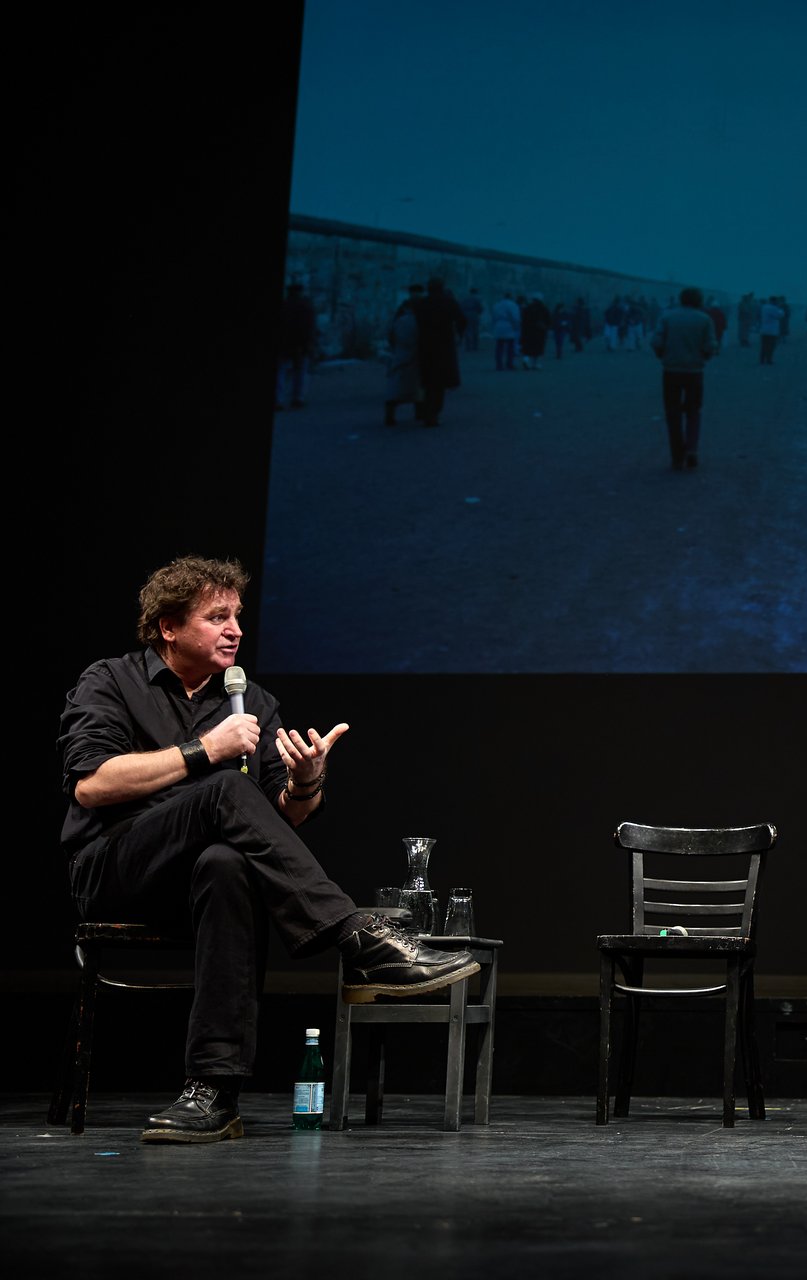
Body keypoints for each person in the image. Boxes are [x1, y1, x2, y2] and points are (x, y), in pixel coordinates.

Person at [59, 556, 479, 1144]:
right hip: (115, 867)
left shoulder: (250, 699)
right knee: (225, 787)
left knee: (228, 863)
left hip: (199, 886)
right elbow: (92, 784)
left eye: (238, 616)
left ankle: (213, 1092)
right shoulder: (111, 680)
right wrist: (204, 749)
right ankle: (354, 936)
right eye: (216, 616)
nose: (234, 629)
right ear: (168, 628)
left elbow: (276, 820)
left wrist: (307, 781)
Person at [651, 285, 719, 470]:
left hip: (671, 371)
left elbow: (656, 341)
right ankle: (692, 450)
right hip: (694, 372)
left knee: (672, 413)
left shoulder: (667, 317)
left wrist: (663, 356)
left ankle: (677, 456)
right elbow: (710, 345)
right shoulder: (704, 319)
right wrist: (703, 357)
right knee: (693, 412)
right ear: (698, 300)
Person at [413, 277, 466, 426]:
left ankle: (426, 411)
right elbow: (462, 319)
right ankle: (434, 412)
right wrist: (459, 334)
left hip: (425, 344)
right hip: (444, 344)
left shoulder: (422, 303)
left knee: (428, 380)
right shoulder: (448, 302)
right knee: (440, 382)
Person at [277, 281, 317, 410]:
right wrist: (309, 344)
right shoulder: (306, 306)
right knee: (300, 372)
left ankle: (279, 400)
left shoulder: (284, 305)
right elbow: (310, 327)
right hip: (301, 343)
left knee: (281, 372)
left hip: (284, 342)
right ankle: (298, 398)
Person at [382, 294, 419, 426]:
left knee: (395, 387)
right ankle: (419, 412)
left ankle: (390, 415)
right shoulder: (419, 320)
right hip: (415, 356)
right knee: (417, 386)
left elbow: (391, 336)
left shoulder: (398, 321)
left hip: (400, 355)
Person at [491, 292, 522, 371]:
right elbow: (516, 317)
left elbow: (493, 317)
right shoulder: (513, 305)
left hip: (499, 325)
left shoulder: (497, 305)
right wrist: (517, 326)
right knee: (510, 346)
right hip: (509, 325)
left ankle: (499, 364)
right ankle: (509, 363)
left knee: (499, 346)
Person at [757, 296, 785, 365]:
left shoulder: (764, 307)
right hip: (772, 331)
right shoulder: (774, 308)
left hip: (764, 330)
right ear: (774, 301)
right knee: (771, 346)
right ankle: (769, 360)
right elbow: (779, 315)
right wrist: (781, 309)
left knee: (764, 346)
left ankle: (762, 360)